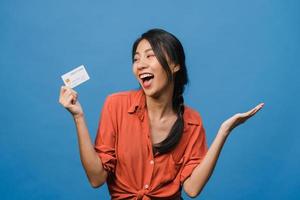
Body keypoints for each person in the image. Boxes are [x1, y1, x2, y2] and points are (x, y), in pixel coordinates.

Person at [59, 29, 264, 200]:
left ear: (175, 65)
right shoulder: (116, 105)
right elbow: (96, 178)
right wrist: (78, 117)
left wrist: (224, 131)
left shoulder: (192, 122)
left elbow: (192, 189)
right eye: (136, 59)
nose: (140, 64)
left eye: (150, 56)